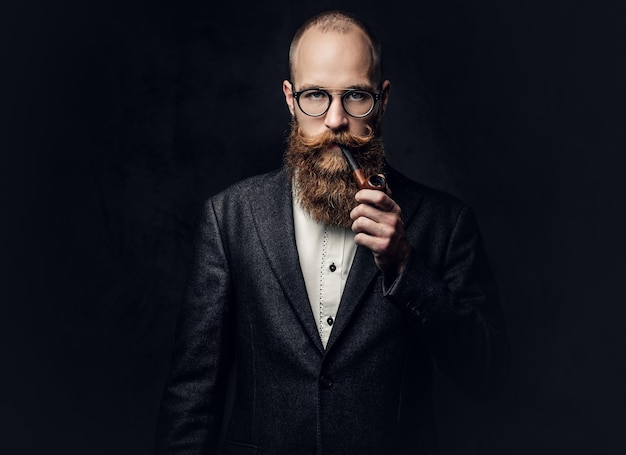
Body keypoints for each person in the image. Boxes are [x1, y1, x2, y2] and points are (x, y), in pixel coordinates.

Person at [154, 9, 508, 455]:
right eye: (316, 95)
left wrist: (405, 266)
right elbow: (192, 398)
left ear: (383, 98)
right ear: (289, 97)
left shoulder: (445, 222)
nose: (336, 119)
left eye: (356, 96)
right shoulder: (230, 218)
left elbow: (487, 374)